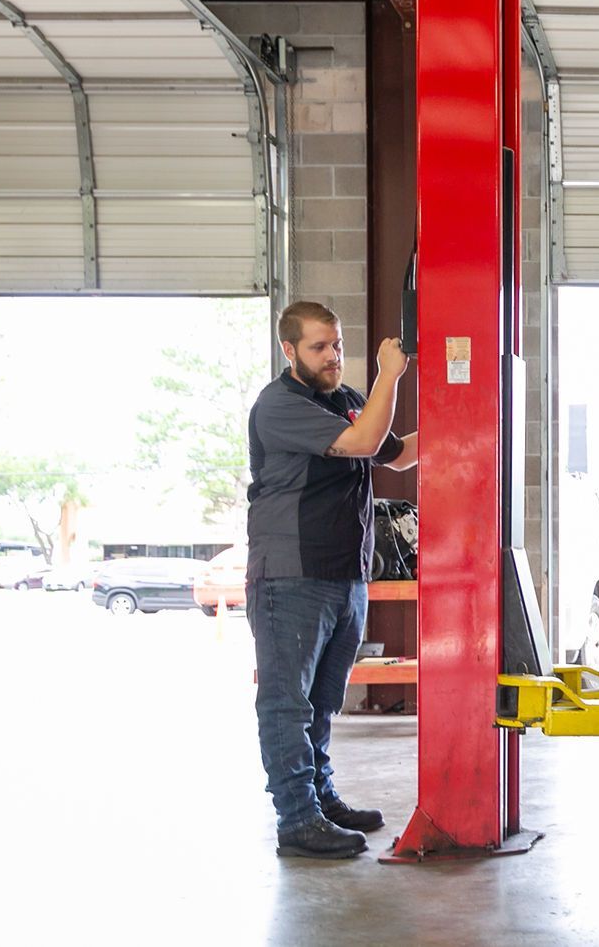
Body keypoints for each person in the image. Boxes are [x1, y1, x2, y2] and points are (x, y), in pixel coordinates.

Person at [245, 301, 419, 859]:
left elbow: (393, 454)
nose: (333, 357)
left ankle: (320, 798)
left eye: (338, 346)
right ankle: (296, 819)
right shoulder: (279, 406)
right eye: (320, 347)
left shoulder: (344, 401)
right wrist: (389, 374)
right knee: (286, 704)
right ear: (289, 350)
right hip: (291, 577)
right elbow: (367, 442)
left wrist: (465, 414)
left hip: (344, 576)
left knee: (323, 703)